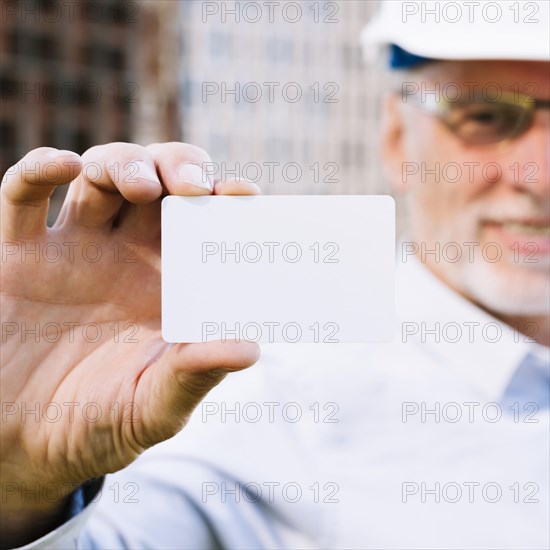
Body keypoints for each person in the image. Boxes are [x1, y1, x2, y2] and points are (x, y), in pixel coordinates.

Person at [1, 1, 548, 548]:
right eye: (487, 117)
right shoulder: (261, 392)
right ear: (398, 139)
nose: (539, 177)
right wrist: (24, 488)